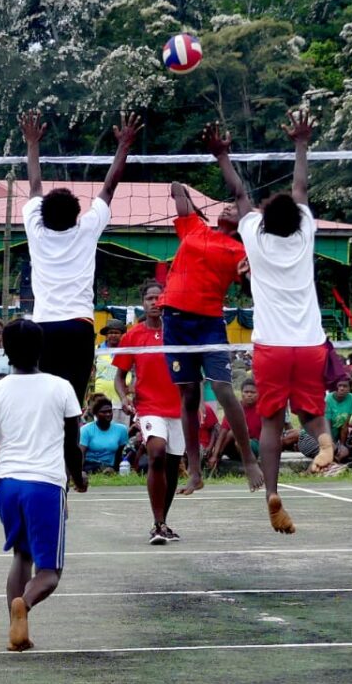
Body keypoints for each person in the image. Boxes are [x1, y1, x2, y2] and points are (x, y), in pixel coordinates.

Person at [223, 110, 337, 533]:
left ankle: (273, 492)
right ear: (297, 222)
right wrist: (301, 142)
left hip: (271, 345)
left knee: (271, 422)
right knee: (310, 410)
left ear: (265, 221)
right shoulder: (305, 232)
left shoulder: (253, 234)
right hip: (309, 343)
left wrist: (222, 154)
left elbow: (239, 195)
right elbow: (300, 186)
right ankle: (324, 442)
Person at [0, 318, 86, 651]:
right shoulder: (61, 386)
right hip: (45, 484)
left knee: (21, 556)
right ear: (42, 349)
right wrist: (78, 478)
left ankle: (16, 631)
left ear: (6, 351)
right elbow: (71, 444)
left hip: (5, 484)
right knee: (49, 572)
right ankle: (24, 604)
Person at [19, 108, 142, 405]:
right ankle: (71, 450)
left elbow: (35, 185)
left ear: (44, 216)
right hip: (78, 327)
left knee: (46, 402)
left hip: (45, 326)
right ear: (77, 216)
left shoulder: (36, 230)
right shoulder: (86, 229)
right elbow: (109, 187)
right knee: (72, 403)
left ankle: (48, 451)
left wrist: (32, 142)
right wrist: (124, 145)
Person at [162, 169, 263, 496]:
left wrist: (249, 276)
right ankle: (194, 471)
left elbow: (252, 286)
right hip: (175, 320)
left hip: (208, 323)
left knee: (222, 389)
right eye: (228, 204)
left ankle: (248, 459)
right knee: (189, 396)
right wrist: (179, 185)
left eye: (237, 206)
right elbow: (179, 197)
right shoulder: (194, 227)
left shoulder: (242, 250)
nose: (230, 207)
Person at [113, 281, 185, 544]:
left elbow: (193, 373)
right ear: (143, 303)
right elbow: (120, 376)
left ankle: (163, 522)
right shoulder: (133, 336)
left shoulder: (178, 333)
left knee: (173, 466)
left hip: (178, 409)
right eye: (150, 298)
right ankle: (157, 524)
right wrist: (124, 397)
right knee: (156, 453)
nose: (155, 302)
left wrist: (196, 403)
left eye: (159, 298)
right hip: (149, 406)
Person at [80, 396, 128, 473]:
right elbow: (81, 454)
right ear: (95, 414)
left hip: (110, 466)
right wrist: (79, 472)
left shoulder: (121, 430)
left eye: (110, 411)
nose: (108, 414)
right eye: (104, 412)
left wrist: (116, 469)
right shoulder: (85, 430)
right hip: (89, 465)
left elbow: (120, 454)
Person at [323, 377, 352, 462]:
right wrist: (331, 443)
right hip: (322, 435)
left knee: (344, 451)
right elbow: (327, 425)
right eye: (339, 385)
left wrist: (342, 445)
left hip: (335, 437)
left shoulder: (351, 398)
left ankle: (333, 464)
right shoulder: (328, 399)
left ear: (350, 388)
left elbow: (345, 425)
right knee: (332, 450)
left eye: (345, 386)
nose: (341, 388)